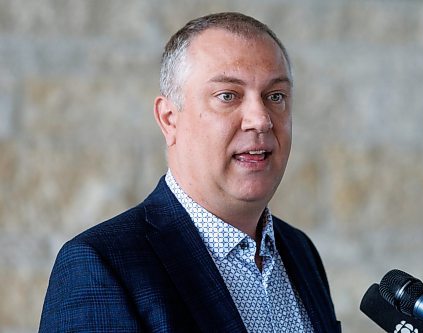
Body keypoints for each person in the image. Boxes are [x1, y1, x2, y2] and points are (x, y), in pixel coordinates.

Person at [39, 12, 341, 333]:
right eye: (228, 95)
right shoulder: (100, 266)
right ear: (169, 119)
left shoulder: (299, 250)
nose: (261, 119)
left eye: (275, 96)